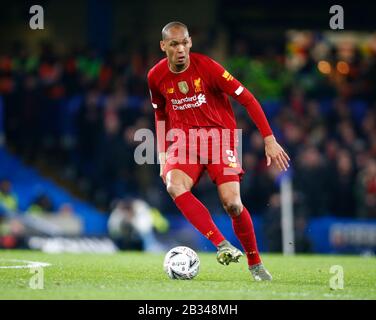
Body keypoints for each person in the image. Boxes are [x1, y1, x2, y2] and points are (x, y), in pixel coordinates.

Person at [147, 22, 290, 281]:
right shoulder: (155, 76)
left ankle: (255, 263)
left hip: (219, 140)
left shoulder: (208, 68)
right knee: (173, 184)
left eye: (185, 43)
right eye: (174, 44)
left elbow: (247, 98)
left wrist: (269, 138)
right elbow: (160, 112)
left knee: (233, 205)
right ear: (163, 46)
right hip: (183, 142)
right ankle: (222, 244)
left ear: (190, 42)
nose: (181, 49)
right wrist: (162, 154)